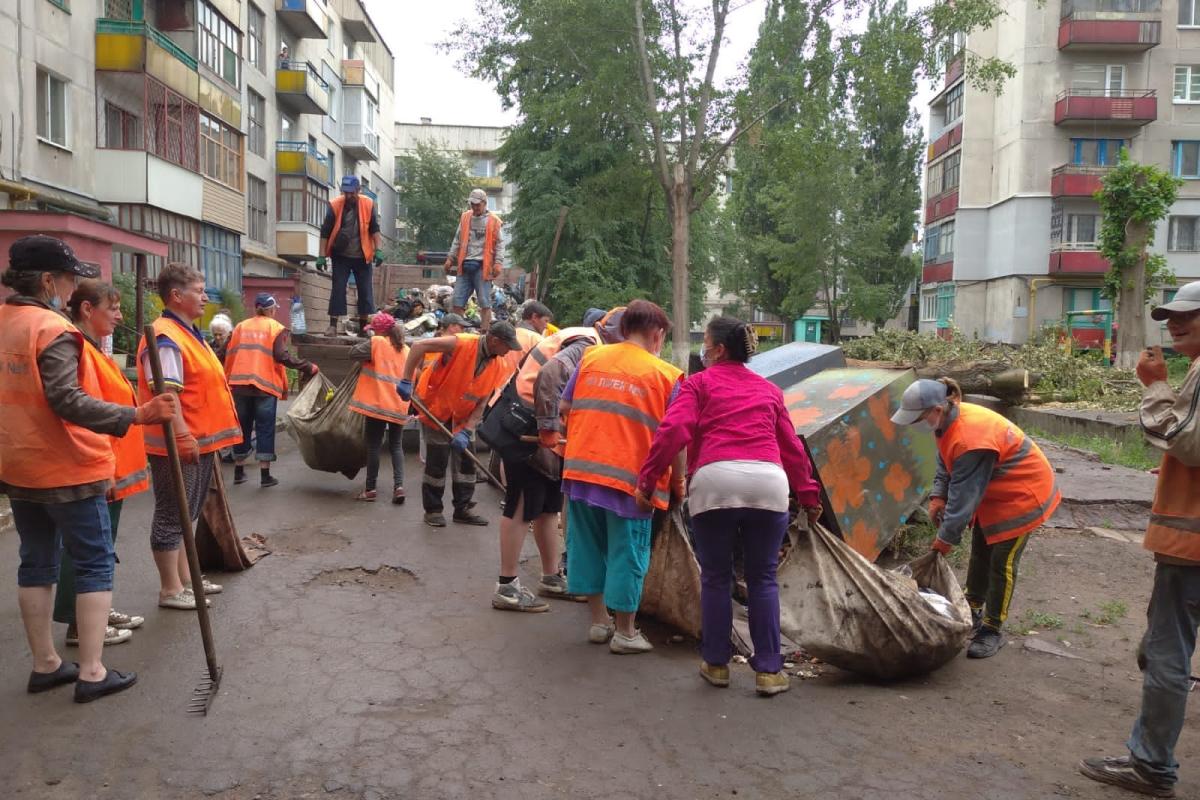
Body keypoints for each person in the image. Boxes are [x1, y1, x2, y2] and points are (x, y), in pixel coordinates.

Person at [0, 235, 177, 702]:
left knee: (36, 562)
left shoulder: (4, 322)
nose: (70, 285)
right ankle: (93, 671)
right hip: (69, 466)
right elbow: (65, 399)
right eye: (67, 278)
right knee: (94, 562)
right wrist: (136, 416)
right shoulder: (51, 328)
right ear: (46, 280)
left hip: (19, 464)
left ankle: (47, 664)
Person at [637, 316, 823, 696]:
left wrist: (647, 479)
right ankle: (770, 671)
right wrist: (809, 496)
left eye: (705, 341)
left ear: (719, 349)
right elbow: (792, 448)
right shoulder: (769, 390)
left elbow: (673, 431)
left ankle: (717, 664)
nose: (702, 349)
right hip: (769, 484)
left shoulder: (699, 384)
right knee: (763, 578)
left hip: (714, 482)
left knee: (717, 578)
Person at [1078, 281, 1200, 798]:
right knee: (1159, 646)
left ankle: (1151, 767)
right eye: (1169, 316)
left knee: (1165, 654)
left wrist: (1153, 385)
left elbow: (1185, 442)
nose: (1174, 324)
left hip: (1190, 546)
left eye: (1187, 316)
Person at [890, 377, 1061, 659]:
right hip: (993, 492)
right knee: (980, 553)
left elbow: (963, 498)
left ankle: (992, 629)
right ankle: (972, 608)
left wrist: (943, 541)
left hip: (1022, 496)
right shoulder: (945, 422)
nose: (914, 424)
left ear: (936, 409)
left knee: (1001, 564)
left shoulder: (972, 437)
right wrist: (936, 497)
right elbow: (947, 463)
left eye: (917, 417)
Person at [558, 299, 684, 655]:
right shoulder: (666, 375)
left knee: (586, 547)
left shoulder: (591, 359)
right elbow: (676, 439)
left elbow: (566, 407)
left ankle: (599, 623)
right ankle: (625, 632)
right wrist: (678, 484)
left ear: (623, 328)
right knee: (627, 553)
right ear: (657, 334)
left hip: (581, 472)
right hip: (631, 483)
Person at [137, 263, 243, 611]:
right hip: (177, 445)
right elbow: (167, 394)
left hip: (197, 441)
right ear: (176, 295)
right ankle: (170, 589)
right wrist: (181, 435)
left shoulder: (186, 331)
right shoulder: (166, 336)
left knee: (188, 514)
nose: (205, 297)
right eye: (199, 290)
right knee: (173, 514)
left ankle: (187, 580)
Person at [55, 280, 153, 649]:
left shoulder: (94, 349)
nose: (119, 315)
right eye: (111, 308)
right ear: (87, 310)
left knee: (102, 543)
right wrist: (106, 467)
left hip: (113, 468)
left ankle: (95, 609)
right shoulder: (77, 349)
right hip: (100, 468)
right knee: (88, 548)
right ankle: (80, 624)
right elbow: (85, 412)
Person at [396, 321, 520, 528]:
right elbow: (419, 346)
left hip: (464, 417)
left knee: (466, 464)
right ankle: (433, 510)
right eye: (507, 346)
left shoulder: (498, 364)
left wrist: (469, 429)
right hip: (437, 409)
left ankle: (463, 509)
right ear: (495, 340)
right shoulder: (460, 343)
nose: (509, 351)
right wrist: (407, 379)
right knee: (437, 461)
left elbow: (482, 402)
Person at [224, 293, 318, 487]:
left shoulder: (241, 326)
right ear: (269, 309)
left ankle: (239, 472)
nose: (275, 311)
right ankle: (265, 476)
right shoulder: (274, 328)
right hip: (263, 387)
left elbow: (224, 352)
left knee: (242, 428)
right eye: (273, 308)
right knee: (265, 428)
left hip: (239, 386)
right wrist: (307, 366)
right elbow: (281, 355)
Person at [348, 313, 410, 504]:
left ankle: (370, 489)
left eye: (374, 330)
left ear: (380, 330)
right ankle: (399, 487)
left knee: (374, 446)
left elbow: (352, 353)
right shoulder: (406, 349)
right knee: (396, 446)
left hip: (377, 404)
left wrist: (369, 341)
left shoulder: (376, 343)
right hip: (398, 405)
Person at [316, 175, 383, 337]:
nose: (348, 196)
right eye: (346, 193)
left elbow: (374, 229)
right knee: (338, 289)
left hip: (362, 256)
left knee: (365, 291)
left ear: (358, 191)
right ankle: (332, 326)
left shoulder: (368, 204)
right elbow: (325, 233)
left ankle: (362, 328)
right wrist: (321, 256)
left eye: (352, 193)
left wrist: (378, 250)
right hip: (341, 256)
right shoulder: (335, 205)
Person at [444, 188, 502, 331]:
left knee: (484, 301)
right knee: (457, 301)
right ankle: (458, 333)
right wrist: (450, 258)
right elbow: (457, 240)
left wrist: (498, 263)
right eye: (472, 204)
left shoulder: (494, 221)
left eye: (477, 204)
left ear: (484, 203)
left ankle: (484, 332)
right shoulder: (465, 217)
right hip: (465, 265)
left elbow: (500, 244)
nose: (475, 207)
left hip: (483, 266)